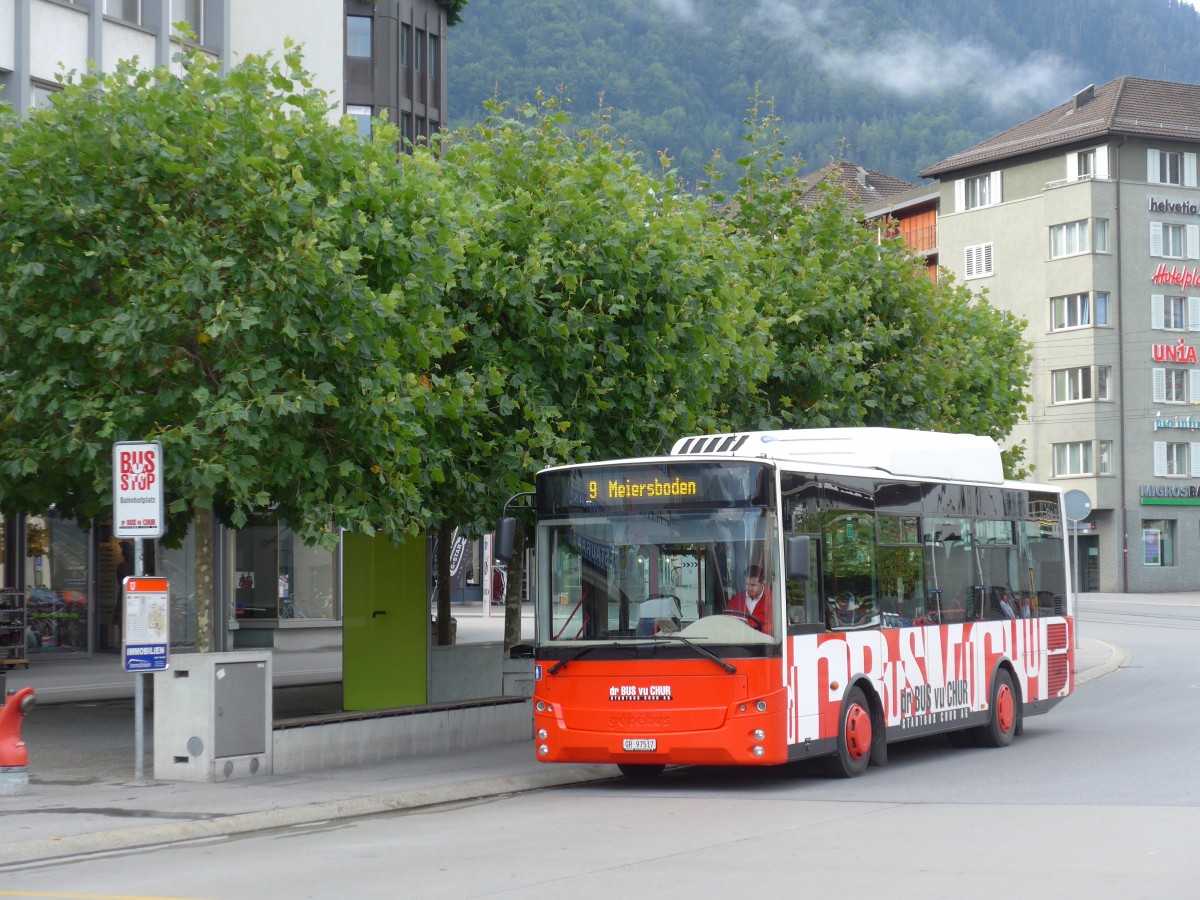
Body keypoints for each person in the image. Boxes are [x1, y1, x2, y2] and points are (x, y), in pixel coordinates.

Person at [725, 565, 773, 633]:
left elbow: (778, 625)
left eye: (753, 585)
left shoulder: (773, 599)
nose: (749, 588)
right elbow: (727, 623)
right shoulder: (735, 600)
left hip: (765, 642)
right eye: (746, 584)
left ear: (763, 583)